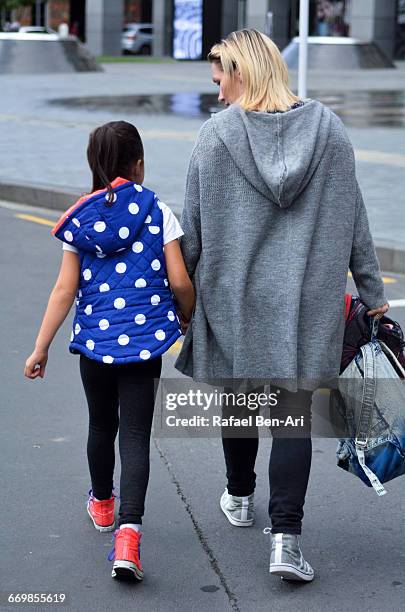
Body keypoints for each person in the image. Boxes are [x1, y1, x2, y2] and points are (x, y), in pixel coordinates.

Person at [175, 29, 389, 582]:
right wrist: (373, 294)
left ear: (243, 73)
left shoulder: (215, 137)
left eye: (220, 80)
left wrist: (180, 302)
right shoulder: (330, 131)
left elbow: (191, 233)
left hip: (232, 296)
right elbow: (355, 219)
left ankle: (239, 496)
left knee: (242, 393)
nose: (219, 94)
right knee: (293, 417)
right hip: (308, 301)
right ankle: (286, 543)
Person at [24, 121, 195, 581]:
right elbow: (179, 280)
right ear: (138, 164)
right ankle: (128, 537)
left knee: (101, 424)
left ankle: (102, 504)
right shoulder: (157, 209)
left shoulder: (79, 218)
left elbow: (65, 288)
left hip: (96, 346)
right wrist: (186, 313)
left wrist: (41, 346)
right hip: (143, 347)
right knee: (135, 436)